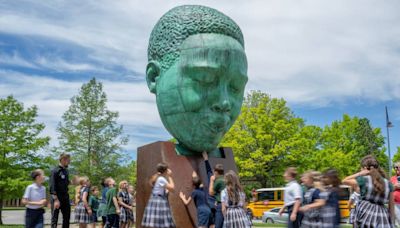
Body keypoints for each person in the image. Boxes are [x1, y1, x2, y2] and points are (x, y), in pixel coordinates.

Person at [343, 155, 394, 227]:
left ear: (365, 168)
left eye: (361, 168)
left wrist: (359, 174)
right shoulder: (388, 184)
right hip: (382, 218)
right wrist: (392, 223)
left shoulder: (363, 180)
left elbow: (344, 181)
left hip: (365, 215)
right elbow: (391, 208)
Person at [141, 162, 175, 228]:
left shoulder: (157, 178)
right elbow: (173, 188)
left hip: (155, 200)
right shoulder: (161, 179)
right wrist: (170, 176)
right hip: (159, 201)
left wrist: (166, 191)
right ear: (166, 170)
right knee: (161, 223)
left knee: (156, 223)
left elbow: (160, 190)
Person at [50, 153, 71, 228]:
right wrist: (55, 200)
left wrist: (72, 182)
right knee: (54, 219)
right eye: (68, 160)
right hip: (57, 198)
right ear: (63, 160)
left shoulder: (66, 171)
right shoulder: (55, 171)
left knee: (66, 218)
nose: (69, 162)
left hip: (65, 197)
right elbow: (52, 186)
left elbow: (65, 182)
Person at [206, 157, 225, 228]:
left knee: (218, 225)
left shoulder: (218, 181)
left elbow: (210, 192)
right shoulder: (226, 179)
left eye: (214, 172)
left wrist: (211, 180)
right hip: (226, 205)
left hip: (220, 206)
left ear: (216, 172)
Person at [390, 161, 400, 226]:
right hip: (395, 204)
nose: (396, 169)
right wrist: (395, 186)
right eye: (395, 167)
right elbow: (388, 189)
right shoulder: (392, 178)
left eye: (398, 167)